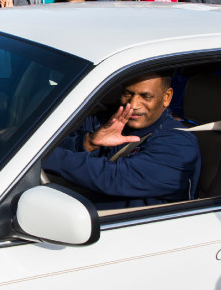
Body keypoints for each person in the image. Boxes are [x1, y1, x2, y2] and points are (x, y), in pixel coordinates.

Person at [43, 72, 201, 209]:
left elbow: (111, 177)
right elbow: (57, 140)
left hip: (134, 231)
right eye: (128, 93)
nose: (133, 104)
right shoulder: (108, 120)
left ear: (166, 98)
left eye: (146, 96)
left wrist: (39, 157)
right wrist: (89, 142)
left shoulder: (179, 144)